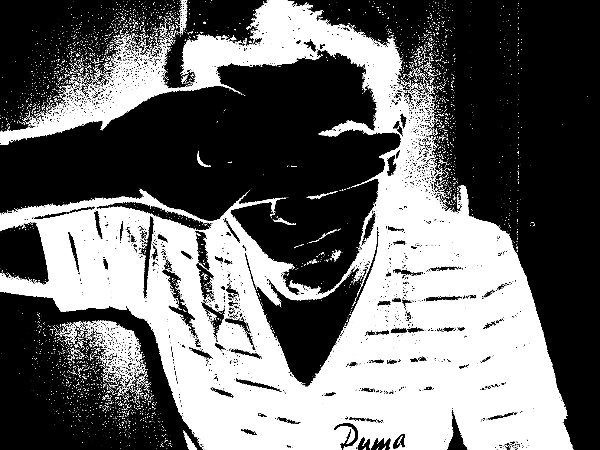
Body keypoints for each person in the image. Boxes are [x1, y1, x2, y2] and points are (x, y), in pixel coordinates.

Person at [0, 1, 572, 449]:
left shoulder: (468, 267)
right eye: (251, 165)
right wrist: (103, 161)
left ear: (393, 146)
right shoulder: (163, 246)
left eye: (332, 161)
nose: (290, 210)